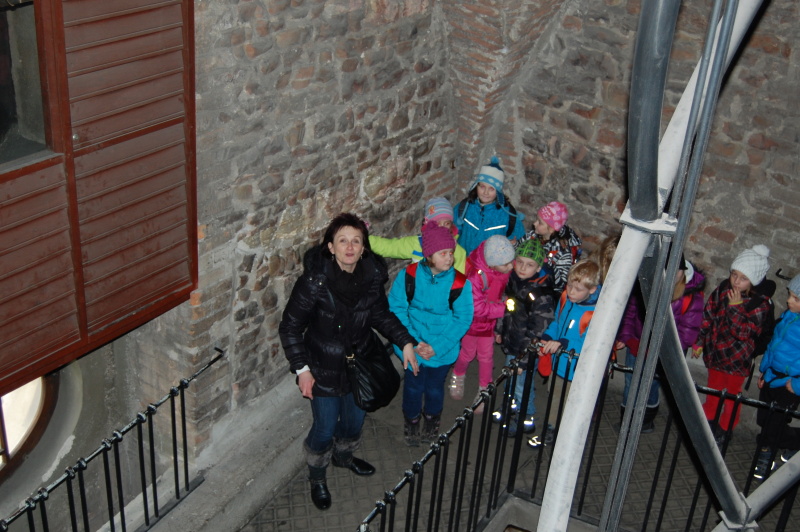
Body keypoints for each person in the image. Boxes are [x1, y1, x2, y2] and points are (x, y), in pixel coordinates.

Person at [279, 213, 419, 511]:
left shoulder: (371, 277)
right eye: (342, 240)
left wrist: (405, 341)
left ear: (364, 246)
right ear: (330, 247)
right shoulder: (314, 283)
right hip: (323, 366)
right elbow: (290, 327)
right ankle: (317, 474)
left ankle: (343, 457)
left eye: (356, 240)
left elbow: (380, 314)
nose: (350, 247)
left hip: (360, 362)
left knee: (355, 419)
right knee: (325, 427)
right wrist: (302, 370)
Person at [388, 222, 474, 446]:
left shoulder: (460, 283)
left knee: (435, 388)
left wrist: (436, 346)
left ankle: (432, 418)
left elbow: (463, 318)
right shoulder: (409, 276)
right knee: (413, 386)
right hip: (413, 347)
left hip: (442, 349)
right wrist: (414, 342)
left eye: (451, 253)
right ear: (428, 255)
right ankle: (412, 419)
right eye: (443, 253)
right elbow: (397, 309)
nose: (449, 258)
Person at [691, 245, 772, 441]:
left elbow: (743, 333)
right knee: (712, 392)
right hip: (716, 355)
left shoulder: (759, 304)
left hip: (736, 361)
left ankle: (725, 430)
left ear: (753, 280)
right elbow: (708, 315)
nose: (736, 281)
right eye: (734, 274)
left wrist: (735, 308)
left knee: (731, 399)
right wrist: (699, 341)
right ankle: (706, 425)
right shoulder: (723, 289)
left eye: (743, 278)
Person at [616, 257, 705, 433]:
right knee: (630, 382)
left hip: (662, 354)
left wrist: (660, 351)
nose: (671, 273)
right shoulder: (647, 284)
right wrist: (626, 337)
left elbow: (687, 334)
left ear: (684, 271)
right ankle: (626, 420)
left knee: (651, 386)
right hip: (637, 345)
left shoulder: (690, 297)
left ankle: (645, 421)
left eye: (676, 270)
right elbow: (631, 311)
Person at [532, 259, 601, 446]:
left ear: (592, 290)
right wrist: (548, 336)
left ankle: (563, 433)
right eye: (569, 286)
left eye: (578, 289)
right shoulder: (565, 299)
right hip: (558, 363)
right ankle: (553, 427)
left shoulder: (595, 313)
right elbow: (558, 322)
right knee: (555, 396)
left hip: (575, 369)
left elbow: (591, 343)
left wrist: (562, 343)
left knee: (570, 402)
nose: (571, 292)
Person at [493, 238, 555, 436]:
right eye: (519, 262)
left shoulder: (540, 295)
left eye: (529, 265)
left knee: (522, 384)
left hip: (526, 351)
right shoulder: (513, 281)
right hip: (513, 341)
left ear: (538, 268)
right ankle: (510, 404)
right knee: (510, 377)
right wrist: (499, 330)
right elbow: (506, 307)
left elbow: (538, 332)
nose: (522, 268)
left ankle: (526, 417)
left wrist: (524, 360)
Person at [449, 235, 516, 414]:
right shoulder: (475, 278)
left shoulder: (502, 267)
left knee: (486, 356)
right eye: (506, 264)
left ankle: (484, 390)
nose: (511, 266)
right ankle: (458, 375)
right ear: (492, 264)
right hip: (473, 324)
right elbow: (477, 308)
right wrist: (503, 308)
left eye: (512, 261)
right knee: (467, 353)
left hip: (489, 323)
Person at [753, 274, 800, 479]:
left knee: (774, 425)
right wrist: (764, 370)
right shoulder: (787, 317)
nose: (789, 301)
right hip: (772, 376)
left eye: (796, 298)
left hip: (789, 383)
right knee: (765, 419)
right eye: (790, 295)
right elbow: (773, 346)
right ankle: (787, 444)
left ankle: (766, 452)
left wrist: (797, 385)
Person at [370, 196, 469, 273]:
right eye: (437, 223)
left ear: (451, 225)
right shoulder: (417, 244)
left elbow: (458, 283)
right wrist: (364, 239)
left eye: (446, 223)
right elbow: (390, 247)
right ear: (428, 225)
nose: (442, 228)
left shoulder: (457, 252)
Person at [454, 157, 526, 255]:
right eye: (482, 187)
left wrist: (513, 246)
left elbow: (520, 243)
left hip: (489, 263)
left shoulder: (508, 216)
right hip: (464, 261)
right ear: (476, 186)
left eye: (491, 189)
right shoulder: (465, 207)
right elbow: (452, 230)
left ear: (498, 192)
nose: (486, 192)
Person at [521, 201, 582, 294]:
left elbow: (561, 282)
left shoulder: (563, 251)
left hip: (545, 291)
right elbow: (519, 249)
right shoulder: (532, 235)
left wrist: (548, 265)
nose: (534, 223)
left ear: (551, 229)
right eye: (537, 219)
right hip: (525, 279)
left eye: (540, 222)